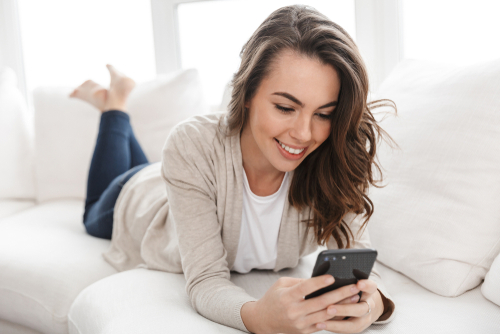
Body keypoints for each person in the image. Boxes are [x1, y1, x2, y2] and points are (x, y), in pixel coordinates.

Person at [70, 5, 397, 334]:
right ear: (247, 94)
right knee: (93, 209)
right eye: (285, 107)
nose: (304, 133)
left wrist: (375, 304)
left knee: (155, 165)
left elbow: (358, 258)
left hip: (183, 176)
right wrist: (259, 317)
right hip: (139, 197)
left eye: (324, 114)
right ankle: (114, 106)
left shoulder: (334, 157)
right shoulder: (191, 143)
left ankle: (115, 106)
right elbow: (206, 281)